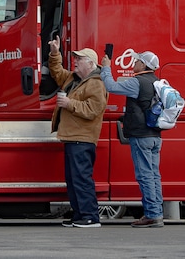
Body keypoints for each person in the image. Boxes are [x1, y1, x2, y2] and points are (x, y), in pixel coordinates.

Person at [48, 35, 108, 228]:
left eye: (79, 59)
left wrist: (69, 103)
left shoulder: (97, 83)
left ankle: (90, 216)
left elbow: (93, 110)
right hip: (73, 137)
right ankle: (80, 215)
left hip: (82, 138)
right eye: (75, 58)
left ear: (90, 64)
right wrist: (55, 53)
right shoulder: (74, 79)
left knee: (81, 178)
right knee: (74, 179)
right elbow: (56, 72)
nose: (75, 61)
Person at [100, 50, 164, 228]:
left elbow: (111, 86)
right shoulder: (156, 81)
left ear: (143, 65)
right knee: (154, 175)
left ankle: (152, 215)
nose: (133, 63)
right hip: (155, 135)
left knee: (144, 176)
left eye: (136, 60)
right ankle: (157, 212)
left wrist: (106, 68)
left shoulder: (137, 82)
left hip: (141, 136)